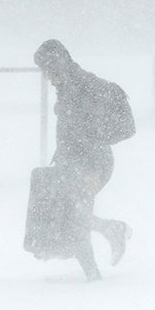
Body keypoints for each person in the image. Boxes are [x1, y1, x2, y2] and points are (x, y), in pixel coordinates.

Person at [33, 39, 133, 282]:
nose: (46, 77)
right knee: (73, 216)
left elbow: (97, 131)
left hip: (91, 165)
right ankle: (113, 231)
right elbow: (72, 131)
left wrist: (94, 169)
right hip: (72, 164)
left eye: (47, 70)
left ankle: (93, 280)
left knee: (75, 221)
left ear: (57, 66)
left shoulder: (84, 87)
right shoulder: (68, 87)